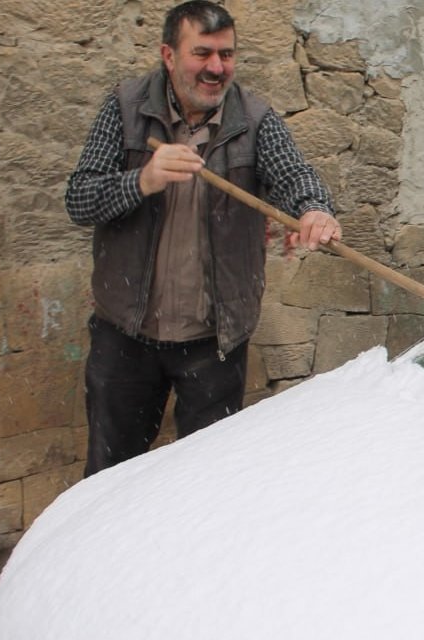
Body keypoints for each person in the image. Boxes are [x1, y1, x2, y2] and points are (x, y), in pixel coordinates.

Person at [66, 0, 340, 476]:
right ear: (169, 55)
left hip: (214, 341)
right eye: (203, 53)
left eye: (226, 54)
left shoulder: (253, 119)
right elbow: (79, 200)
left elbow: (296, 176)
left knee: (205, 482)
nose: (217, 67)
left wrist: (314, 210)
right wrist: (141, 181)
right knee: (110, 477)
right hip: (126, 336)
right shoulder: (126, 107)